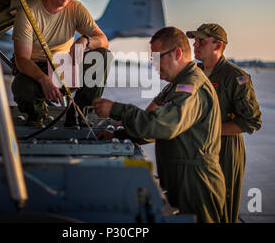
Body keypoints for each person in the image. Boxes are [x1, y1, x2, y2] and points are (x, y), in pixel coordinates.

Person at [93, 27, 226, 223]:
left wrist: (117, 109)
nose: (153, 65)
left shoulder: (191, 87)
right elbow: (154, 128)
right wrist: (118, 136)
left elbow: (162, 126)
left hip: (197, 184)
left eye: (156, 58)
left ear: (177, 53)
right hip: (183, 180)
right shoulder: (176, 86)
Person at [11, 0, 110, 126]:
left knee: (102, 56)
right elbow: (22, 59)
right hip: (37, 72)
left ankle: (78, 113)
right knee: (22, 89)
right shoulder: (28, 12)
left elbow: (103, 41)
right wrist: (43, 79)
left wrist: (85, 40)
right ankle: (37, 115)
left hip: (65, 68)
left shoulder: (75, 8)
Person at [187, 23, 262, 223]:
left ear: (217, 45)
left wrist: (209, 131)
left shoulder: (236, 77)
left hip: (225, 151)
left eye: (201, 40)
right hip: (197, 149)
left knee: (222, 211)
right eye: (195, 40)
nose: (195, 45)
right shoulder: (193, 73)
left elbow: (251, 121)